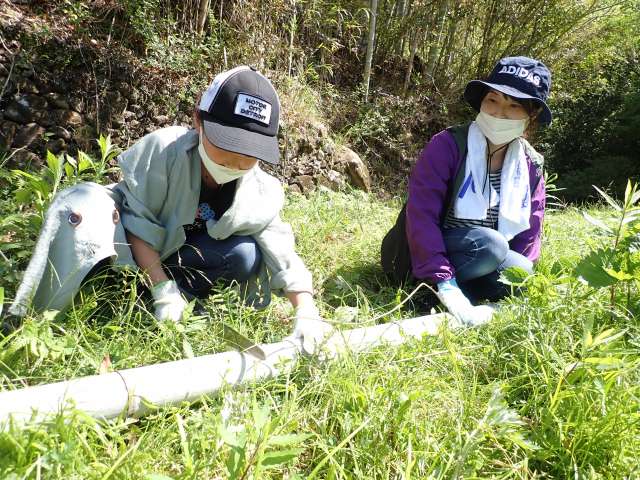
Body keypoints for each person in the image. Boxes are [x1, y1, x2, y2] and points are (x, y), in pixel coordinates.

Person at [9, 65, 333, 353]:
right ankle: (73, 311)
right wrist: (162, 289)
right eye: (226, 147)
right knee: (80, 212)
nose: (234, 162)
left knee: (247, 253)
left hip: (183, 253)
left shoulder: (258, 188)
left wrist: (306, 310)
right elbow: (137, 226)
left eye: (247, 155)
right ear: (198, 122)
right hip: (132, 250)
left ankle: (180, 305)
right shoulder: (165, 152)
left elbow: (279, 244)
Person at [381, 56, 551, 326]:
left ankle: (460, 293)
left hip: (478, 258)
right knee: (491, 245)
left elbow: (531, 232)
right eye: (492, 100)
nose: (498, 113)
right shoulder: (448, 145)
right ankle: (430, 288)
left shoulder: (530, 164)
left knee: (522, 270)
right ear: (482, 101)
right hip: (415, 255)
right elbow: (421, 215)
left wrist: (519, 281)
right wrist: (443, 279)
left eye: (514, 105)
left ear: (531, 116)